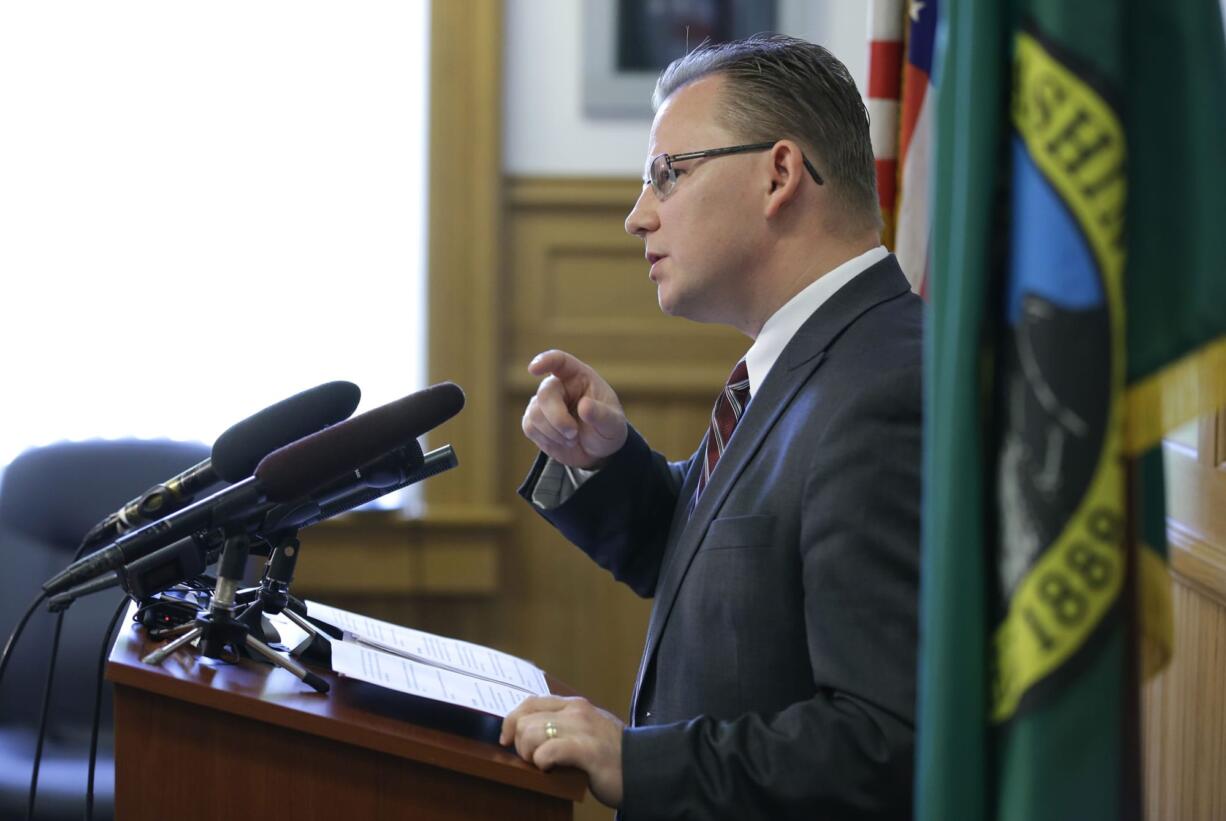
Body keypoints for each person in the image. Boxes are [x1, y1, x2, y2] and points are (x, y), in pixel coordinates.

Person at [500, 34, 922, 820]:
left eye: (668, 174)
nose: (637, 217)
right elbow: (736, 570)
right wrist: (609, 460)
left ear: (779, 173)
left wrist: (637, 758)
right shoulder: (811, 361)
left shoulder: (888, 387)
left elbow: (885, 742)